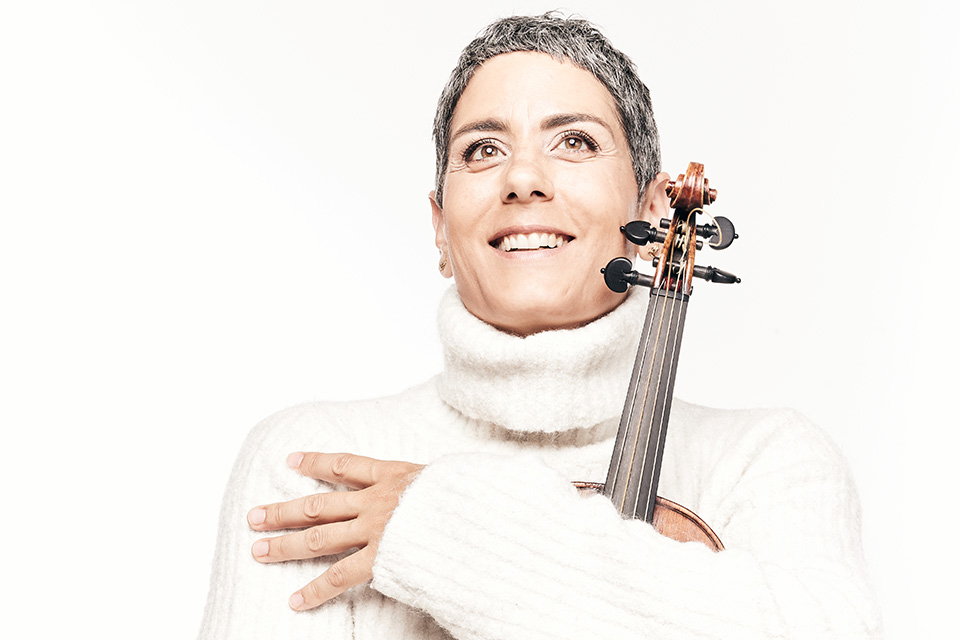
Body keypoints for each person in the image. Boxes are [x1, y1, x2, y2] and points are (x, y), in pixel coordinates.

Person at [198, 13, 880, 639]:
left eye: (575, 141)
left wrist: (452, 530)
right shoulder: (319, 465)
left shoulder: (763, 463)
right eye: (483, 150)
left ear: (650, 209)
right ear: (440, 226)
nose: (523, 177)